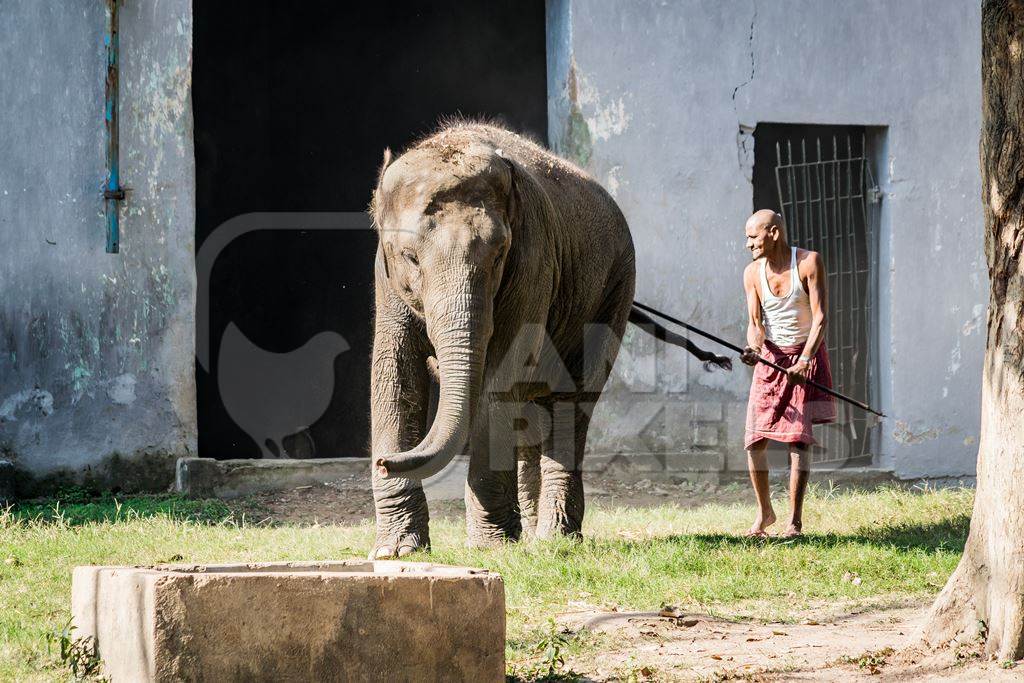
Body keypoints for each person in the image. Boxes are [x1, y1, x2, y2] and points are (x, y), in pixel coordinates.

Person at [739, 209, 835, 538]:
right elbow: (755, 325)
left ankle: (794, 521)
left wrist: (806, 360)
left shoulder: (809, 263)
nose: (748, 243)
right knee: (754, 440)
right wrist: (754, 349)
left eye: (754, 236)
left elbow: (821, 318)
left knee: (798, 441)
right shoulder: (752, 273)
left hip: (804, 357)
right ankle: (765, 513)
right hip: (771, 359)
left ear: (775, 233)